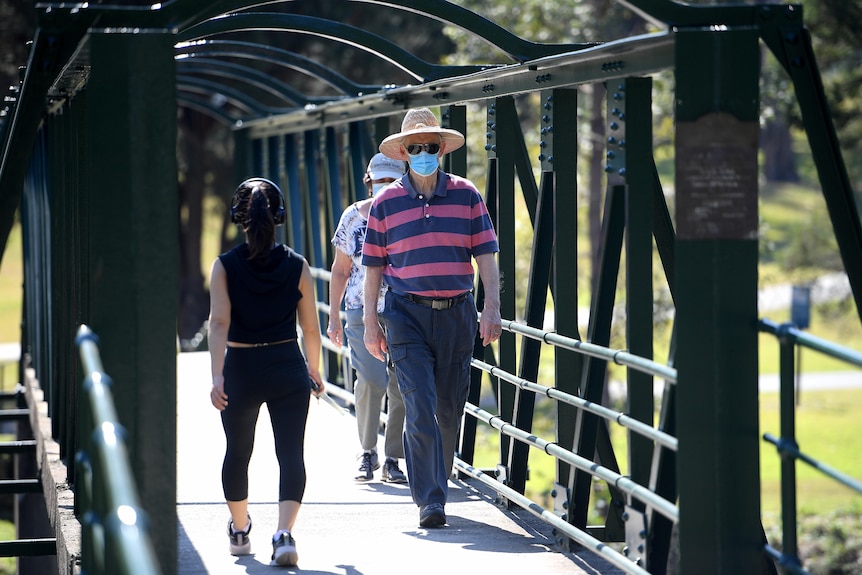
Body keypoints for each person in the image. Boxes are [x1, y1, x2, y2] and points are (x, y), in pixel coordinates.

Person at [361, 108, 502, 529]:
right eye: (415, 147)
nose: (423, 153)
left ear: (441, 149)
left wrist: (491, 307)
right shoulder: (384, 204)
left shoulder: (467, 195)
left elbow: (487, 258)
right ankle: (431, 500)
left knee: (447, 407)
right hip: (405, 316)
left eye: (430, 147)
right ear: (404, 153)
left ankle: (435, 480)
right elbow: (371, 269)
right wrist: (370, 322)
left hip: (457, 313)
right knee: (418, 404)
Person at [208, 177, 324, 567]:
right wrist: (315, 370)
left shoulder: (224, 266)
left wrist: (217, 377)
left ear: (239, 218)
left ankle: (240, 530)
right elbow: (310, 328)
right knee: (290, 452)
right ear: (279, 217)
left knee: (237, 452)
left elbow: (219, 323)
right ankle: (284, 534)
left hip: (241, 368)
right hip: (286, 366)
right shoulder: (298, 265)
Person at [327, 153, 408, 483]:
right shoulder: (353, 217)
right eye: (380, 181)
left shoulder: (412, 212)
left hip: (404, 310)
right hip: (362, 311)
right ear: (369, 181)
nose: (384, 187)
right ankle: (367, 450)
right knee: (372, 381)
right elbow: (340, 270)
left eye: (392, 181)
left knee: (400, 386)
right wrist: (333, 317)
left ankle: (393, 458)